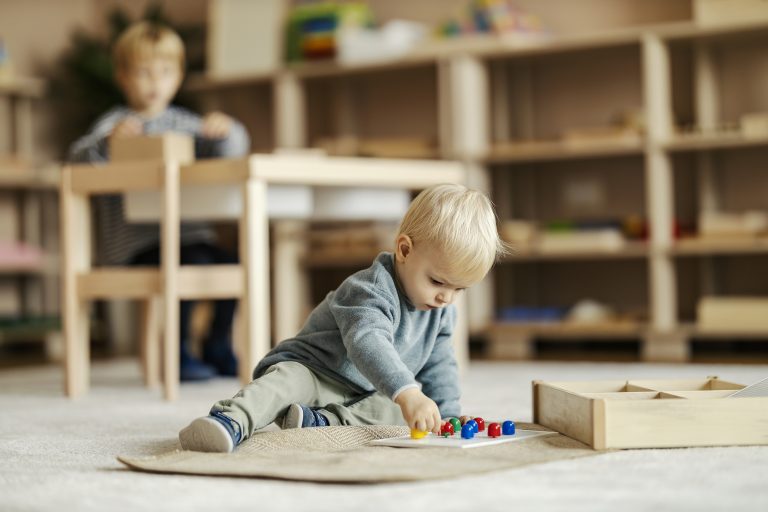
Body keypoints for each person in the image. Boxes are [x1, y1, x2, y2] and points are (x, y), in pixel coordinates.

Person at [178, 183, 507, 453]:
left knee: (398, 411)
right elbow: (368, 343)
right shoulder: (369, 289)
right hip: (315, 370)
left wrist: (445, 415)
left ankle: (319, 422)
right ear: (405, 251)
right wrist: (408, 392)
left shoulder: (441, 310)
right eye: (437, 282)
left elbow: (440, 364)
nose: (446, 298)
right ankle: (230, 420)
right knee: (286, 383)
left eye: (459, 289)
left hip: (363, 391)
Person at [68, 21, 251, 381]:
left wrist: (226, 129)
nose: (155, 82)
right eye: (143, 72)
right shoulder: (115, 125)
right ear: (123, 77)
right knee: (190, 260)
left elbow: (231, 152)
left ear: (178, 77)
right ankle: (177, 352)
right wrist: (108, 143)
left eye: (165, 72)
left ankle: (217, 345)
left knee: (232, 260)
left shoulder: (185, 123)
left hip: (190, 236)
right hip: (136, 244)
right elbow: (77, 160)